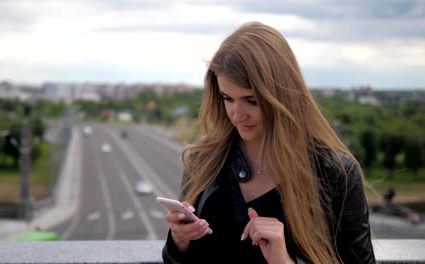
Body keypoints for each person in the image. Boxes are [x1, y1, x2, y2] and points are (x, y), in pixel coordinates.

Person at [161, 21, 376, 263]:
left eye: (251, 100)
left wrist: (285, 261)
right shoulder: (203, 160)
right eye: (227, 98)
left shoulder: (336, 173)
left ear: (282, 95)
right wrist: (179, 241)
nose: (237, 115)